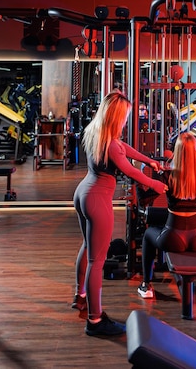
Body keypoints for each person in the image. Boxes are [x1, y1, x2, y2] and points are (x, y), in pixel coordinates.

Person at [73, 89, 167, 337]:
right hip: (97, 200)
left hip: (83, 191)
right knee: (97, 261)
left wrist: (147, 160)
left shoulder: (96, 132)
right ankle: (95, 320)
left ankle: (80, 295)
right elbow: (129, 170)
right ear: (116, 116)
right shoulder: (111, 143)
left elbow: (123, 148)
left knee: (87, 248)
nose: (126, 120)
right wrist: (156, 184)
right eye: (125, 116)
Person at [137, 131, 196, 300]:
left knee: (148, 235)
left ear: (178, 152)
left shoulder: (167, 176)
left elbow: (143, 201)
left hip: (173, 238)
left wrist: (141, 179)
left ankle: (146, 285)